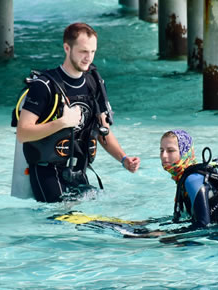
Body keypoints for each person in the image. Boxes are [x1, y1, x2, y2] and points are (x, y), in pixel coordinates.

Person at [16, 22, 140, 203]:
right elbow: (23, 133)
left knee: (98, 219)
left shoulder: (95, 83)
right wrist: (63, 122)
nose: (88, 58)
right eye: (83, 51)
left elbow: (103, 131)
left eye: (93, 52)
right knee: (67, 224)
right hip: (48, 173)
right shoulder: (44, 86)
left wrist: (124, 159)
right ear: (67, 48)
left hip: (79, 171)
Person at [160, 130, 218, 228]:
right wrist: (148, 223)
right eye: (161, 150)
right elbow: (186, 217)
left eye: (170, 150)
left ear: (184, 152)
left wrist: (165, 234)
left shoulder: (192, 179)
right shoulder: (187, 177)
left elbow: (203, 225)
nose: (163, 155)